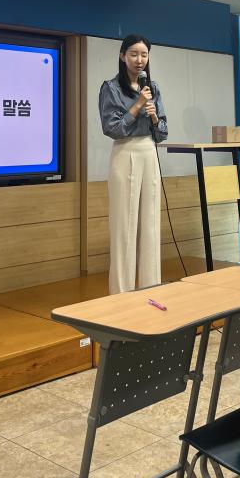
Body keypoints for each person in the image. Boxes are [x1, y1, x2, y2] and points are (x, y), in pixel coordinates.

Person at [98, 34, 168, 295]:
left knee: (150, 224)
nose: (140, 60)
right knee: (124, 226)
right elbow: (112, 128)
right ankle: (121, 293)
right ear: (122, 56)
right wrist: (137, 105)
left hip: (148, 150)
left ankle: (151, 288)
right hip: (125, 151)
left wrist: (155, 119)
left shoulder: (153, 87)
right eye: (134, 54)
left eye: (144, 55)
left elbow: (163, 132)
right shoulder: (111, 87)